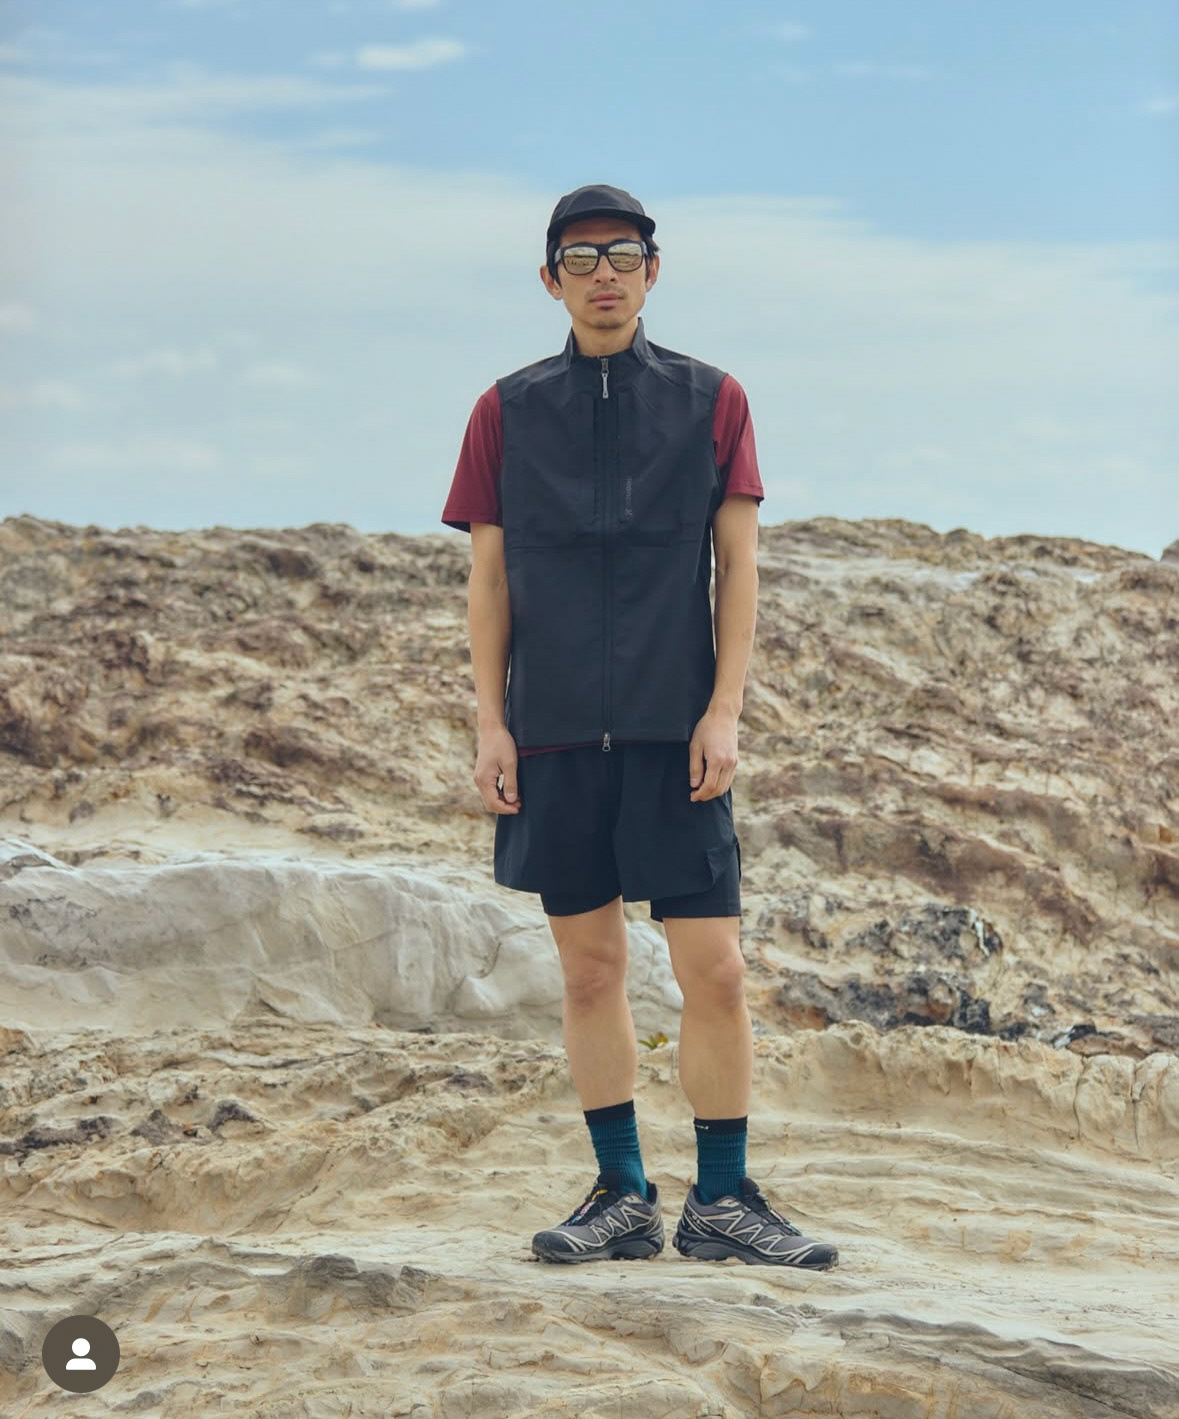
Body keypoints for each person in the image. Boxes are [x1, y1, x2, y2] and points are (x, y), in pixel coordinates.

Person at [441, 183, 837, 1269]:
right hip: (556, 734)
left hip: (676, 735)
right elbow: (488, 581)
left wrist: (724, 710)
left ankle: (722, 1200)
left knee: (716, 970)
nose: (603, 274)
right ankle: (620, 1193)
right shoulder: (505, 411)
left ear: (652, 271)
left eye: (622, 254)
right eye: (581, 258)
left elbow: (738, 566)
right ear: (550, 280)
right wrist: (491, 723)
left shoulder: (713, 400)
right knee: (588, 971)